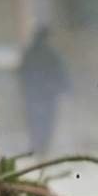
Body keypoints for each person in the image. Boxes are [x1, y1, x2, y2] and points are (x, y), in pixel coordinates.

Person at [18, 25, 69, 156]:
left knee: (35, 122)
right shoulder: (51, 53)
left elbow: (21, 74)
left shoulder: (29, 53)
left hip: (35, 95)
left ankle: (38, 146)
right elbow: (61, 73)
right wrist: (64, 89)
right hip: (47, 96)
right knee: (46, 123)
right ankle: (43, 148)